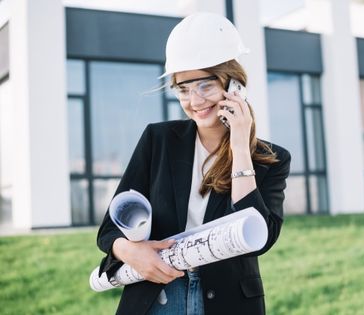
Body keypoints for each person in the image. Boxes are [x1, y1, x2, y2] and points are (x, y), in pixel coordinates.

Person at [96, 12, 291, 315]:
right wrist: (130, 251)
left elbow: (258, 238)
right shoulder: (158, 140)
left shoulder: (272, 160)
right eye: (183, 89)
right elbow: (110, 228)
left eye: (205, 86)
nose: (194, 100)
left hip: (227, 302)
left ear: (234, 84)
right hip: (156, 293)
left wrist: (240, 147)